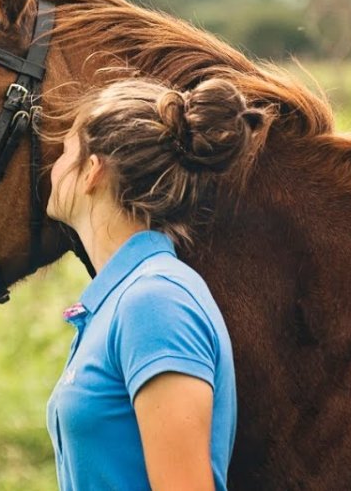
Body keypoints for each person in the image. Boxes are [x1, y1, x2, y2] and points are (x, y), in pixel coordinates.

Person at [44, 76, 245, 491]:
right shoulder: (125, 300)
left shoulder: (154, 303)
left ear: (92, 172)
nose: (54, 168)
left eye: (64, 152)